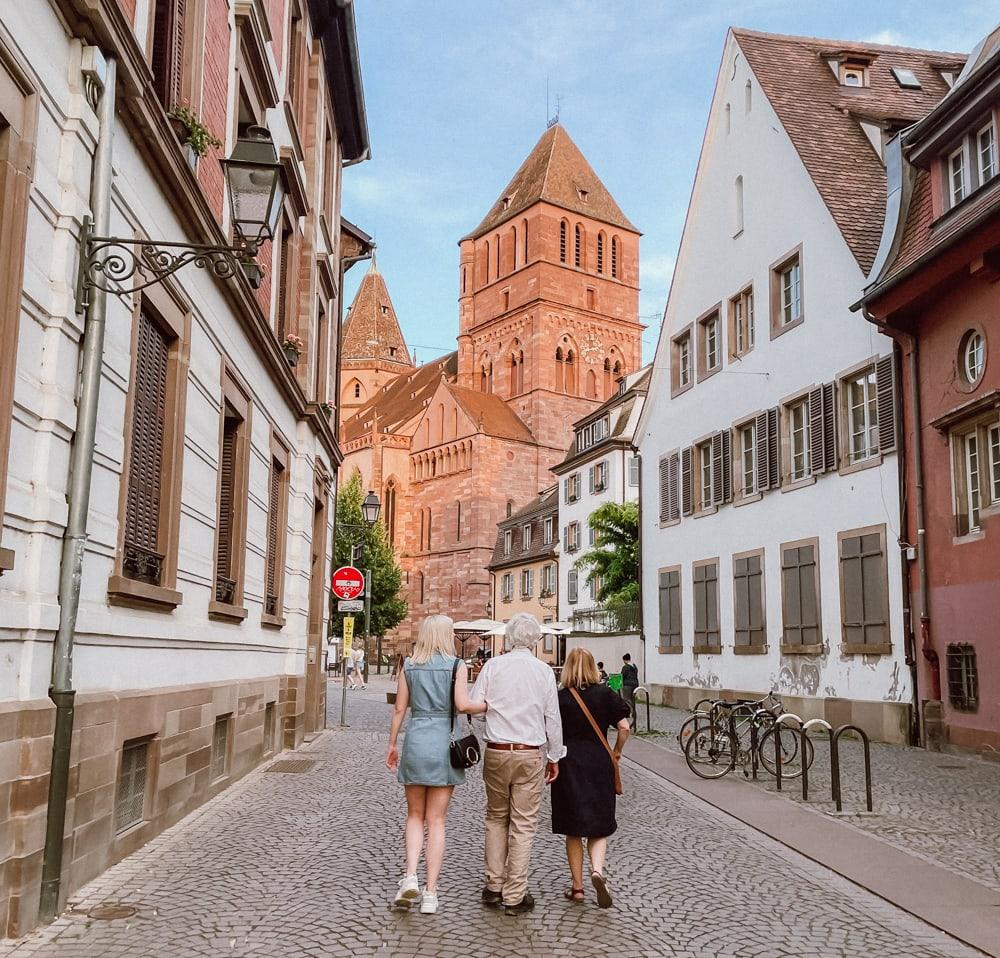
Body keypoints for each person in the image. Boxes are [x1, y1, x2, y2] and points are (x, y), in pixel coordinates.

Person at [386, 615, 487, 914]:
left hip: (416, 742)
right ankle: (431, 893)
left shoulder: (410, 665)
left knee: (414, 816)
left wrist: (392, 745)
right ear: (447, 636)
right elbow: (462, 705)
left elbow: (399, 709)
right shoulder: (458, 666)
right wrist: (488, 704)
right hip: (444, 744)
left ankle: (410, 877)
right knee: (437, 821)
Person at [470, 613, 565, 916]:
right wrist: (555, 755)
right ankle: (514, 895)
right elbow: (553, 717)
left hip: (497, 750)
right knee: (523, 825)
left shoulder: (492, 666)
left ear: (509, 637)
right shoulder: (543, 671)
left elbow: (477, 706)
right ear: (536, 640)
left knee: (496, 817)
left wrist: (497, 713)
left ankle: (493, 886)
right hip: (528, 753)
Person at [551, 648, 630, 908]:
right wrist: (617, 751)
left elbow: (551, 731)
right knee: (599, 824)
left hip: (569, 762)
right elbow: (624, 727)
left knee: (573, 828)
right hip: (599, 762)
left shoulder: (560, 698)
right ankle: (597, 870)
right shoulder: (606, 694)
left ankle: (577, 888)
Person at [620, 653, 639, 725]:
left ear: (624, 660)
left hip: (627, 685)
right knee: (632, 699)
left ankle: (632, 711)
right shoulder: (634, 666)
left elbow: (622, 676)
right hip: (635, 684)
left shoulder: (625, 667)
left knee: (626, 699)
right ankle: (633, 711)